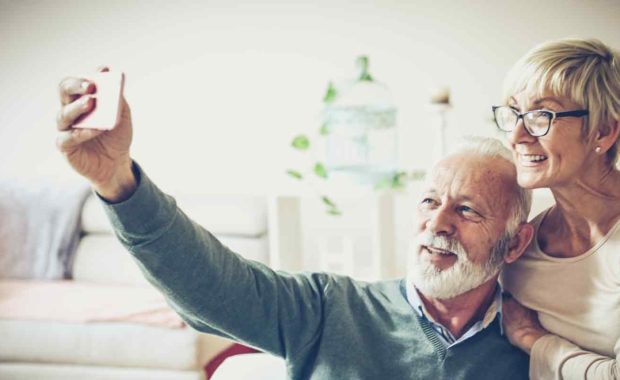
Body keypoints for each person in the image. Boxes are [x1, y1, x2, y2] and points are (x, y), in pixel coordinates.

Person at [56, 72, 533, 379]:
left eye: (467, 210)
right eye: (430, 201)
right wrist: (116, 179)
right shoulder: (329, 309)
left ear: (514, 243)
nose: (439, 223)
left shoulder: (531, 345)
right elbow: (209, 283)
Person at [493, 38, 620, 379]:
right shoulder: (522, 248)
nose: (516, 136)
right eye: (514, 113)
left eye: (540, 115)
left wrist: (533, 340)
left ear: (604, 131)